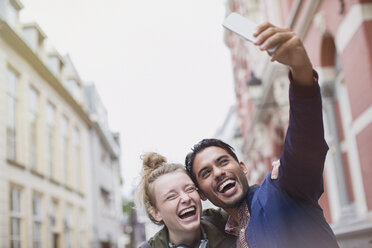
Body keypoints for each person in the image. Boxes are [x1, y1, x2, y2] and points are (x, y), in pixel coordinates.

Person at [185, 22, 340, 248]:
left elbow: (304, 144)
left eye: (223, 161)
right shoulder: (226, 237)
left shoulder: (281, 191)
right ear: (202, 194)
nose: (218, 172)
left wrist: (302, 73)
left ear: (243, 167)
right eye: (206, 172)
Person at [137, 152, 236, 248]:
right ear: (156, 213)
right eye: (171, 196)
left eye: (190, 189)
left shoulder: (228, 222)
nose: (186, 198)